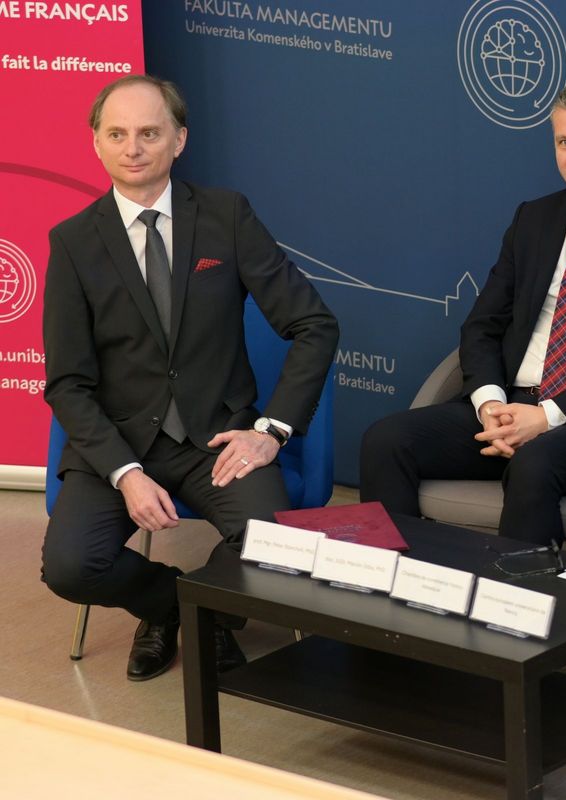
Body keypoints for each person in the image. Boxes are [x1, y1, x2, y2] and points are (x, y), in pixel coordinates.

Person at [41, 75, 339, 682]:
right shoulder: (72, 242)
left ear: (179, 140)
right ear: (95, 142)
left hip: (218, 440)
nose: (132, 148)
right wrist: (124, 473)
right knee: (70, 567)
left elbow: (314, 324)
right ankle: (174, 607)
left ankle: (207, 616)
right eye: (117, 134)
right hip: (120, 444)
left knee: (273, 550)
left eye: (149, 133)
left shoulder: (227, 216)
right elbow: (68, 382)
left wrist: (272, 431)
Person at [359, 75, 566, 546]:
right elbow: (483, 325)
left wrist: (546, 417)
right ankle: (397, 582)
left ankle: (513, 594)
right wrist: (491, 405)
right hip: (506, 406)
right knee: (386, 439)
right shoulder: (534, 219)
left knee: (533, 463)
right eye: (564, 142)